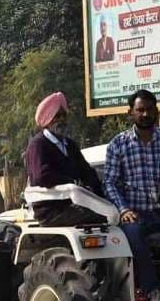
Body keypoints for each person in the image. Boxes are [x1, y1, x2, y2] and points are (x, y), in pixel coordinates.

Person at [104, 89, 160, 301]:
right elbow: (110, 183)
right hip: (137, 213)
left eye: (149, 109)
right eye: (140, 110)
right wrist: (123, 209)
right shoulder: (118, 145)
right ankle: (154, 290)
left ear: (156, 111)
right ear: (130, 113)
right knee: (133, 236)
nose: (145, 114)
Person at [24, 91, 105, 226]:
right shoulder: (38, 144)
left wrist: (100, 192)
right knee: (102, 215)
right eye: (57, 116)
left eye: (63, 116)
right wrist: (72, 182)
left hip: (74, 204)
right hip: (50, 211)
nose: (61, 120)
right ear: (48, 119)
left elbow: (86, 172)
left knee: (111, 210)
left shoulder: (69, 144)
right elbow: (41, 177)